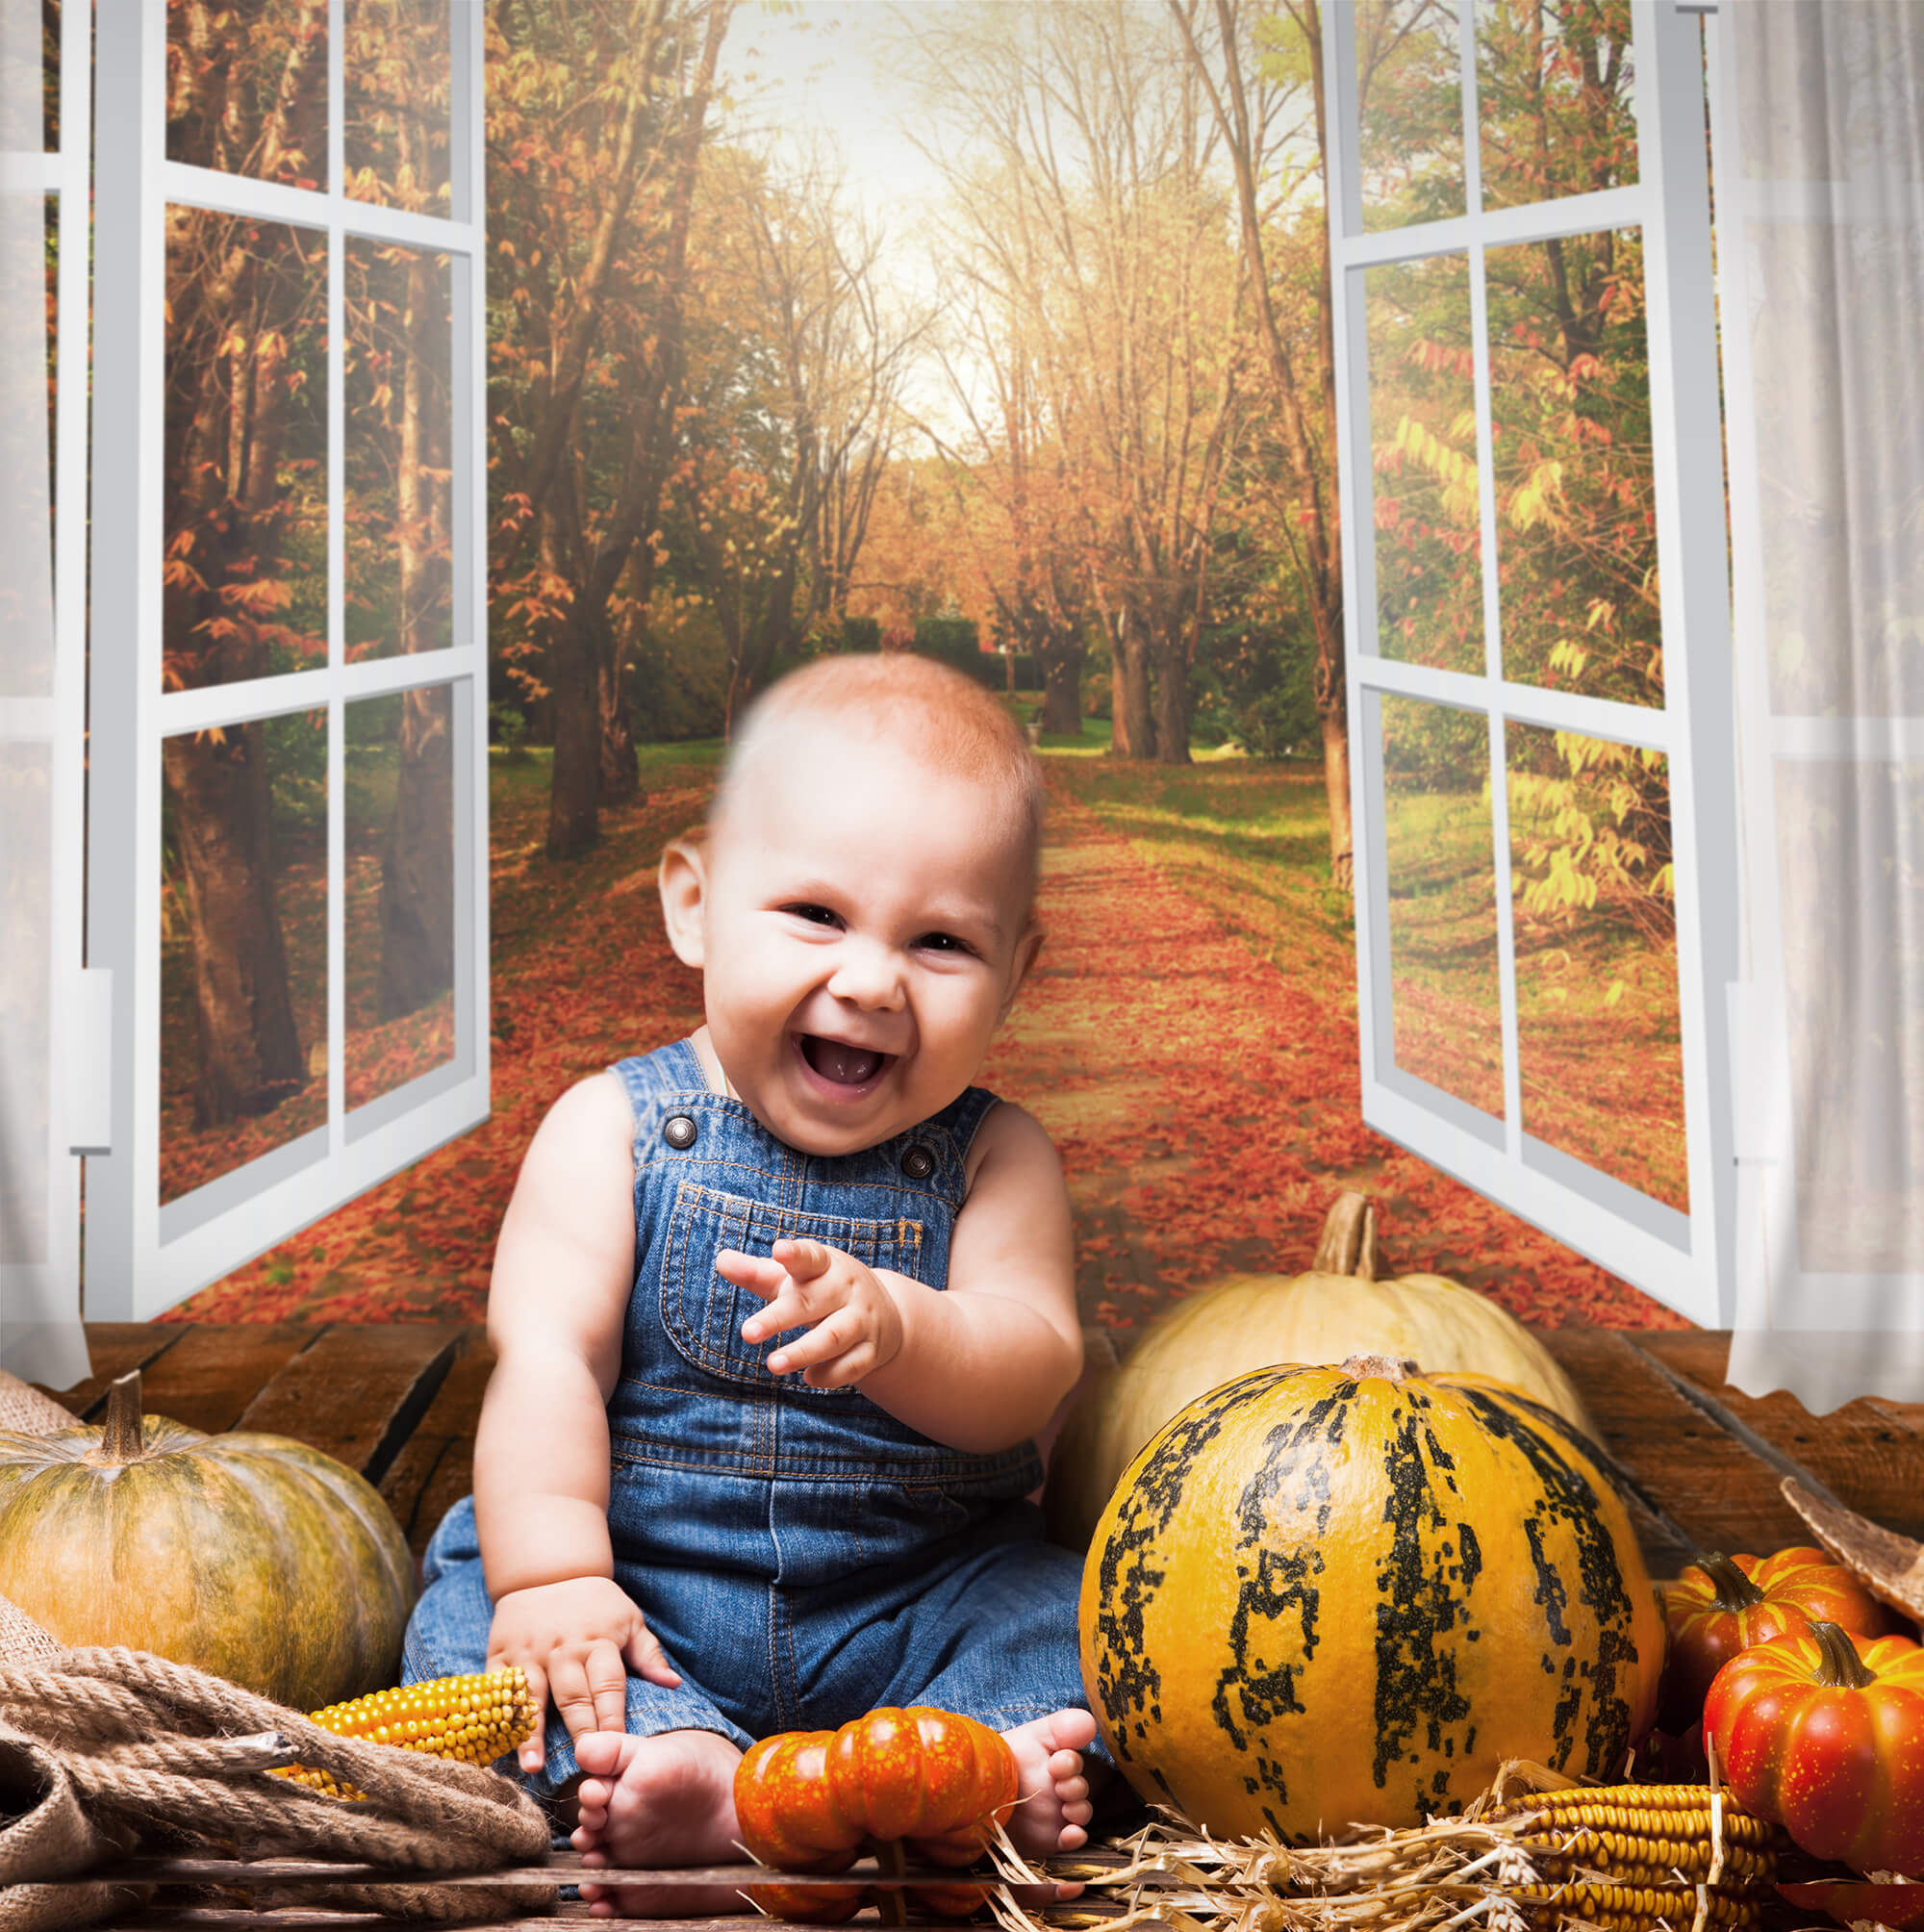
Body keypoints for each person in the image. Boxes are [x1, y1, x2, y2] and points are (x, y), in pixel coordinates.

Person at [402, 652, 1101, 1915]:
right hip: (650, 1588)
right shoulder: (608, 1128)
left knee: (1078, 1626)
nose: (875, 979)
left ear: (1018, 972)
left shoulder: (999, 1157)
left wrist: (905, 1331)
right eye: (817, 916)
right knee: (474, 1647)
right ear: (693, 904)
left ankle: (965, 1761)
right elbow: (548, 1358)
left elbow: (1028, 1364)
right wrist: (557, 1575)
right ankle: (696, 1774)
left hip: (920, 1596)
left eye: (941, 941)